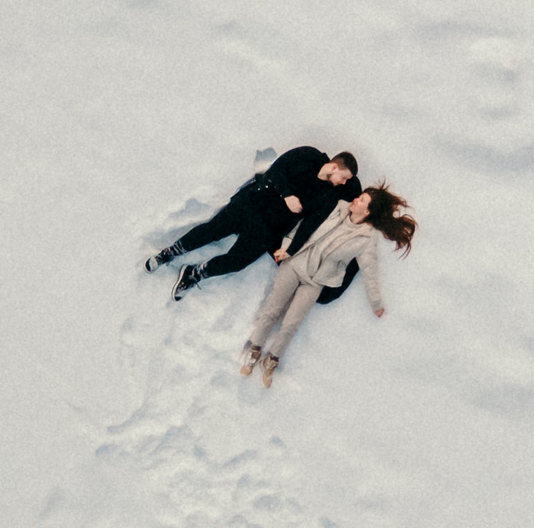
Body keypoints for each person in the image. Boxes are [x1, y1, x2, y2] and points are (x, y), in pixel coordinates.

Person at [240, 183, 416, 388]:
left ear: (367, 212)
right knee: (273, 310)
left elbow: (370, 270)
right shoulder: (337, 207)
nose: (356, 199)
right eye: (360, 196)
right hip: (295, 263)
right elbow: (305, 225)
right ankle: (255, 348)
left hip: (317, 281)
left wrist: (376, 302)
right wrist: (287, 247)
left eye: (362, 200)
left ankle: (273, 359)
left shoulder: (366, 238)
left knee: (291, 323)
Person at [146, 148, 358, 300]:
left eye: (347, 181)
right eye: (344, 176)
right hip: (253, 202)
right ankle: (169, 253)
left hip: (270, 228)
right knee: (212, 231)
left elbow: (310, 223)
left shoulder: (328, 195)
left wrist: (290, 249)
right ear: (333, 166)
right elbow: (277, 169)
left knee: (237, 262)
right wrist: (287, 195)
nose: (343, 182)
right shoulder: (309, 155)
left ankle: (195, 273)